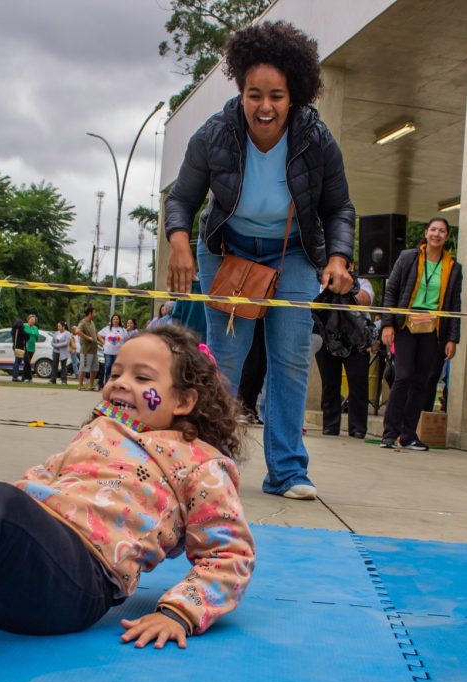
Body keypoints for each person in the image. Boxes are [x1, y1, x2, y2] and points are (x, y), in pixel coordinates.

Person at [0, 325, 254, 647]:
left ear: (183, 401)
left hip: (70, 587)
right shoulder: (99, 432)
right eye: (116, 373)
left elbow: (229, 553)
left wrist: (180, 613)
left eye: (141, 377)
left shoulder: (201, 463)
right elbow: (35, 484)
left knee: (0, 504)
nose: (120, 384)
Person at [165, 20, 355, 500]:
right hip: (227, 251)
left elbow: (339, 207)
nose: (264, 107)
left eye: (276, 95)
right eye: (254, 94)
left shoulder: (316, 138)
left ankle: (288, 471)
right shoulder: (214, 134)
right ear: (241, 90)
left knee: (290, 357)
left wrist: (338, 256)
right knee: (224, 358)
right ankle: (213, 467)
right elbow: (182, 199)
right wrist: (180, 242)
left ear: (294, 95)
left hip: (292, 252)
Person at [380, 217, 462, 450]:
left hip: (433, 329)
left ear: (447, 236)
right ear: (426, 233)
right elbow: (391, 291)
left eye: (442, 231)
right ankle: (389, 433)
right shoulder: (409, 257)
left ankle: (408, 436)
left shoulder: (454, 267)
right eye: (433, 229)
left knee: (421, 382)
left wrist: (452, 339)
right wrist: (387, 324)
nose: (437, 234)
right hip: (407, 325)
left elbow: (455, 304)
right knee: (403, 376)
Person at [316, 277, 374, 438]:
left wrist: (347, 287)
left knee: (358, 384)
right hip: (330, 338)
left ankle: (358, 428)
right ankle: (330, 425)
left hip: (356, 340)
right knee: (330, 383)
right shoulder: (323, 283)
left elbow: (366, 299)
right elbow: (317, 301)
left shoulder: (362, 283)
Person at [98, 313, 127, 385]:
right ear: (111, 320)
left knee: (116, 369)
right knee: (108, 367)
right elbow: (98, 334)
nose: (115, 320)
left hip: (118, 353)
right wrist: (103, 342)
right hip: (108, 352)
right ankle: (107, 384)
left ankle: (115, 384)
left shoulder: (123, 330)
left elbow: (126, 339)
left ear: (119, 320)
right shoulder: (107, 328)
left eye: (117, 319)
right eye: (114, 319)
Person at [77, 306, 100, 391]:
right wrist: (87, 337)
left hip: (94, 350)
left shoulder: (92, 322)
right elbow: (77, 331)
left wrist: (102, 341)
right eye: (94, 312)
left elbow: (96, 333)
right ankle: (80, 385)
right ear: (90, 313)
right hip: (86, 350)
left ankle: (91, 386)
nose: (95, 314)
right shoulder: (83, 322)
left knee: (94, 369)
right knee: (83, 368)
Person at [22, 314, 39, 383]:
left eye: (34, 320)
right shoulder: (24, 326)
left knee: (27, 363)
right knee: (27, 362)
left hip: (32, 347)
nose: (32, 321)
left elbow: (37, 337)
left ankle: (23, 377)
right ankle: (28, 377)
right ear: (28, 320)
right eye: (31, 320)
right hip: (25, 346)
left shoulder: (36, 328)